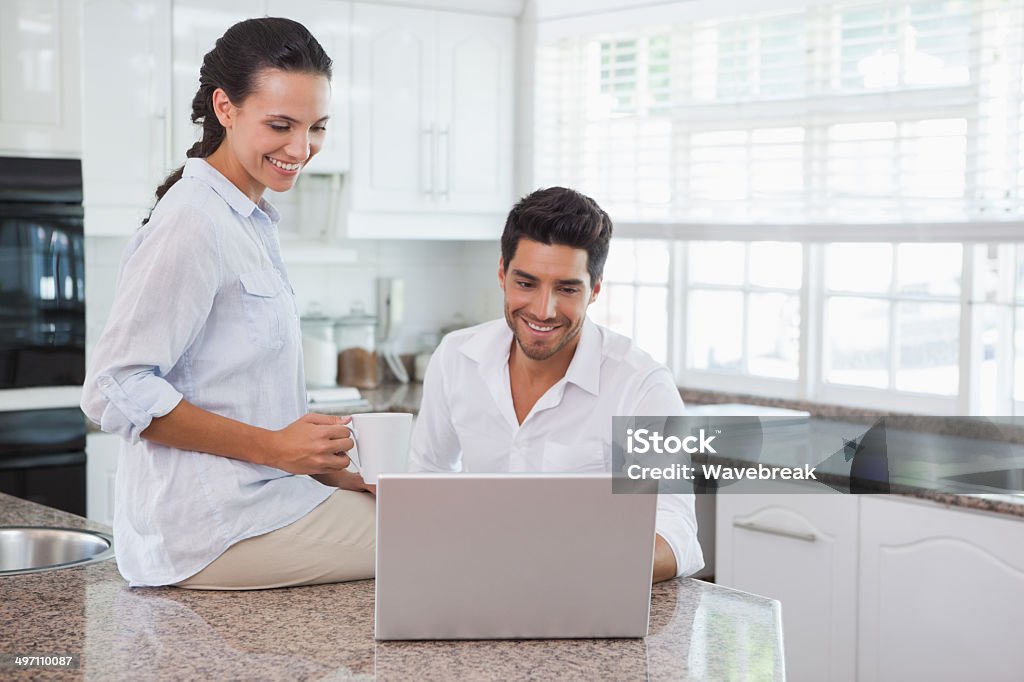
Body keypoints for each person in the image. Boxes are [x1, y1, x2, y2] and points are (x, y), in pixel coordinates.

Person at [81, 18, 373, 589]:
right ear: (226, 107)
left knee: (430, 524)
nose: (300, 148)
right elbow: (114, 388)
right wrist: (276, 448)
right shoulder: (194, 220)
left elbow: (240, 392)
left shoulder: (247, 219)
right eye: (281, 125)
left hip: (263, 503)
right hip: (214, 529)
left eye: (316, 127)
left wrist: (330, 468)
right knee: (441, 539)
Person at [409, 187, 704, 582]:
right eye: (526, 283)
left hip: (590, 593)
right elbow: (428, 475)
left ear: (595, 289)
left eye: (566, 289)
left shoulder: (642, 385)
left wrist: (579, 567)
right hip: (475, 581)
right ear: (502, 274)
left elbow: (675, 527)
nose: (542, 310)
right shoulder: (456, 356)